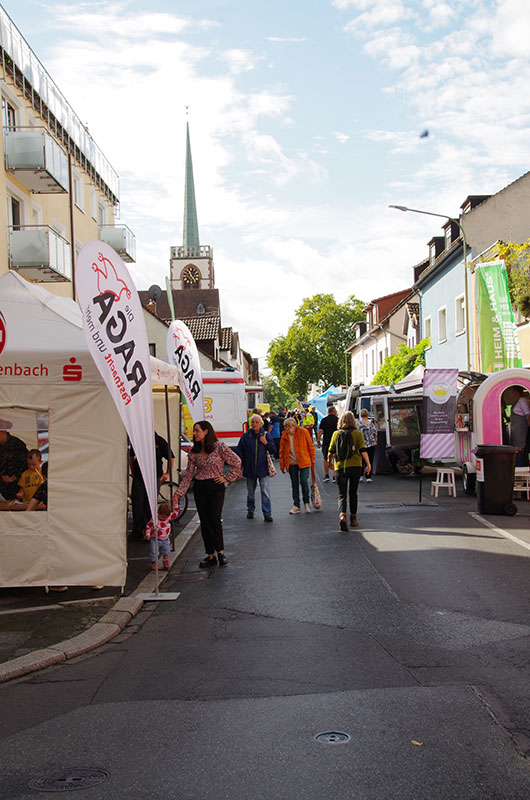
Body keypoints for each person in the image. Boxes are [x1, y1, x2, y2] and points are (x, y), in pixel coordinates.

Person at [174, 421, 241, 568]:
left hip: (216, 486)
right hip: (201, 487)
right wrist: (179, 493)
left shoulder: (219, 447)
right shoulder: (194, 452)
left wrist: (227, 477)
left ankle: (221, 552)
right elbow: (189, 475)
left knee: (215, 519)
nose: (194, 433)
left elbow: (237, 462)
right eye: (194, 431)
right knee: (205, 521)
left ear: (206, 431)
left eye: (197, 430)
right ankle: (210, 555)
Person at [328, 411, 371, 531]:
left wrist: (330, 463)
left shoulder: (336, 434)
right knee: (353, 492)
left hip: (340, 467)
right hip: (356, 467)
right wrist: (368, 464)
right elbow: (363, 450)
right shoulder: (357, 433)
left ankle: (343, 516)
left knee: (342, 495)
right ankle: (353, 518)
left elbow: (330, 452)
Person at [129, 432, 174, 541]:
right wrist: (133, 471)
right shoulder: (138, 439)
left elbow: (171, 457)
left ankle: (150, 531)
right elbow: (131, 456)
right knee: (137, 503)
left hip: (154, 476)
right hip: (139, 476)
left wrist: (168, 473)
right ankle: (138, 531)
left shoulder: (159, 440)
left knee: (148, 504)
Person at [236, 414, 275, 522]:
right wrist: (239, 467)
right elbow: (240, 452)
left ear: (261, 424)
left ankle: (267, 513)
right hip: (249, 469)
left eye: (257, 422)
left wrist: (265, 442)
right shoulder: (245, 436)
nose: (254, 424)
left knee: (265, 492)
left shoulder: (266, 435)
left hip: (263, 469)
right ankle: (250, 509)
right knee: (251, 493)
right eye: (253, 422)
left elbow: (273, 450)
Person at [279, 416, 315, 514]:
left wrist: (313, 459)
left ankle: (306, 503)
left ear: (295, 426)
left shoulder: (303, 432)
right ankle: (296, 505)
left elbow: (310, 446)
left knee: (303, 481)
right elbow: (281, 452)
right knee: (294, 483)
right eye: (286, 427)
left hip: (304, 461)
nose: (287, 429)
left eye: (290, 426)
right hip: (291, 463)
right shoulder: (284, 436)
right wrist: (282, 465)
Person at [145, 499, 178, 571]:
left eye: (165, 517)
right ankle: (154, 562)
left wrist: (175, 504)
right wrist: (148, 534)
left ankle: (165, 560)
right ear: (158, 513)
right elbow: (148, 526)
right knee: (154, 551)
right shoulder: (154, 519)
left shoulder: (168, 517)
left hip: (165, 539)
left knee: (166, 551)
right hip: (155, 538)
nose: (163, 518)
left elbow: (175, 513)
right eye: (161, 516)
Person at [0, 421, 28, 501]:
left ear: (3, 431)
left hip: (18, 485)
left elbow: (26, 465)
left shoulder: (18, 444)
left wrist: (15, 477)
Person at [509, 386, 530, 466]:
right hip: (516, 428)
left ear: (516, 391)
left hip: (521, 428)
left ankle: (519, 465)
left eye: (513, 390)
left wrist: (528, 427)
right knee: (517, 446)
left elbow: (527, 414)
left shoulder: (522, 400)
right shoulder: (518, 400)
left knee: (520, 447)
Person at [317, 406, 338, 482]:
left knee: (325, 458)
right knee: (336, 458)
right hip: (336, 442)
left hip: (326, 442)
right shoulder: (337, 420)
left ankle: (327, 475)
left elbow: (320, 431)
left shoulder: (324, 420)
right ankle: (335, 475)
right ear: (334, 412)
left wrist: (318, 441)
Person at [358, 409, 378, 482]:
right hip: (371, 444)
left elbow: (358, 435)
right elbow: (375, 433)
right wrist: (376, 441)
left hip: (362, 444)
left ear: (361, 415)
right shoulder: (371, 424)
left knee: (361, 461)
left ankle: (360, 475)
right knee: (370, 460)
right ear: (367, 415)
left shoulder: (359, 424)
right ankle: (368, 476)